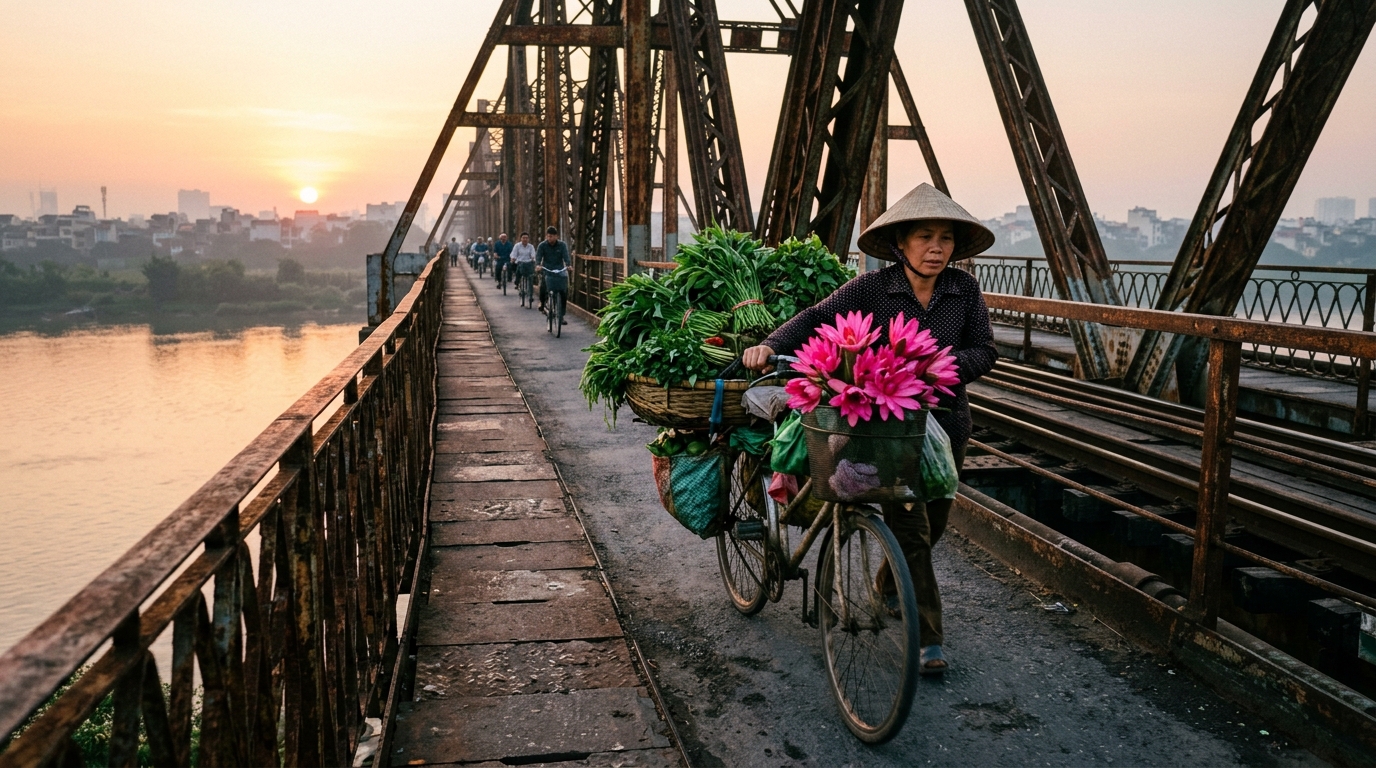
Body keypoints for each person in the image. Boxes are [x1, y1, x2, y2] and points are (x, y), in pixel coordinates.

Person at [742, 182, 998, 677]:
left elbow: (985, 350)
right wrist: (769, 345)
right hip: (885, 429)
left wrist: (934, 365)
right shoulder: (874, 289)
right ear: (901, 243)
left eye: (945, 238)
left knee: (936, 522)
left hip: (946, 424)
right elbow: (817, 317)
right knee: (914, 529)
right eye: (925, 237)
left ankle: (888, 583)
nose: (936, 248)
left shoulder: (963, 290)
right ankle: (928, 639)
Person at [536, 225, 571, 319]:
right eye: (548, 236)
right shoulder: (542, 245)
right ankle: (542, 303)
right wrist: (538, 265)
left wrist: (568, 265)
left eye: (552, 236)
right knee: (543, 285)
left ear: (556, 236)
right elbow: (538, 256)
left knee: (563, 291)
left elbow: (566, 256)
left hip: (559, 269)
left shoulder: (562, 245)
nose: (550, 238)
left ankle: (561, 314)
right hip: (547, 268)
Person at [511, 231, 536, 304]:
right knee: (519, 270)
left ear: (528, 239)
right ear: (521, 239)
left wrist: (533, 258)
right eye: (523, 238)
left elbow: (533, 255)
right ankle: (517, 282)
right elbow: (514, 254)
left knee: (530, 278)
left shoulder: (531, 246)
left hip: (528, 263)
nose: (525, 239)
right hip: (520, 262)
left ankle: (531, 295)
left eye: (526, 238)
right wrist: (513, 258)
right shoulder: (517, 246)